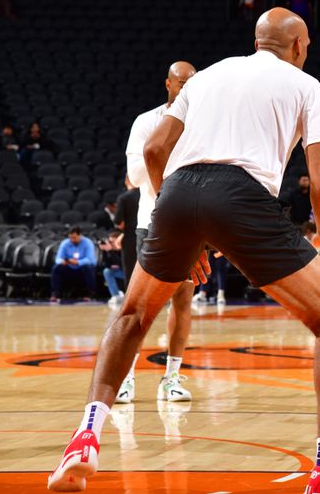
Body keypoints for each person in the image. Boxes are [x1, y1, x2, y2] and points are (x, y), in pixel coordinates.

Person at [47, 8, 320, 494]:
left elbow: (154, 151)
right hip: (242, 196)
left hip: (178, 192)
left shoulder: (208, 76)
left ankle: (84, 438)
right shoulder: (305, 85)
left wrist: (178, 223)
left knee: (132, 315)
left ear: (257, 40)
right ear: (300, 47)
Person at [114, 61, 198, 407]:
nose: (186, 88)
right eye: (181, 82)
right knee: (140, 304)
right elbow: (135, 174)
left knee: (183, 301)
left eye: (192, 83)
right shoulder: (147, 121)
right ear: (168, 83)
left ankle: (172, 378)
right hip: (153, 221)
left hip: (193, 223)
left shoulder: (204, 124)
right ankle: (126, 378)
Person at [50, 226, 97, 303]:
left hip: (82, 268)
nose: (72, 240)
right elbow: (58, 258)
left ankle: (91, 293)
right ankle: (55, 293)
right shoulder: (65, 243)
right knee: (56, 268)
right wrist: (62, 261)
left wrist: (78, 262)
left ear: (80, 235)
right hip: (69, 267)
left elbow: (90, 259)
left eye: (74, 237)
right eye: (70, 238)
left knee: (89, 267)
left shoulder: (88, 243)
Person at [114, 177, 140, 283]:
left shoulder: (124, 198)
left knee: (130, 269)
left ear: (126, 180)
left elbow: (118, 222)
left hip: (130, 236)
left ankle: (133, 299)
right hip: (150, 234)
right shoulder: (149, 196)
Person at [99, 232, 125, 306]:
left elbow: (121, 264)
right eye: (110, 242)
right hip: (120, 272)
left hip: (129, 274)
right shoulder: (111, 251)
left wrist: (110, 251)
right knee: (107, 271)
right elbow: (106, 265)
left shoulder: (125, 248)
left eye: (113, 242)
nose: (111, 244)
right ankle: (116, 295)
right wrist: (104, 251)